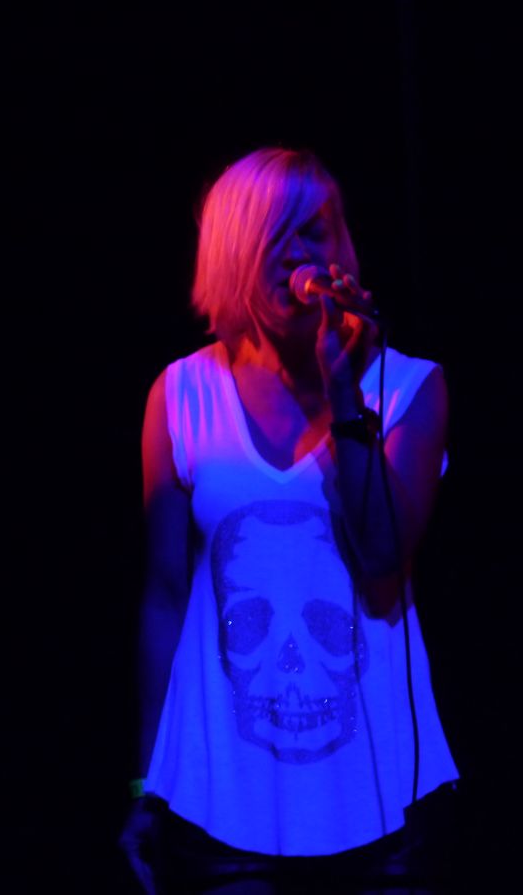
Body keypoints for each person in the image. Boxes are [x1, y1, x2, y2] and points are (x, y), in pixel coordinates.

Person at [119, 147, 458, 894]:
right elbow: (164, 598)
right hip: (220, 802)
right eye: (278, 234)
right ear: (234, 252)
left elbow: (383, 558)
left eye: (316, 230)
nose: (301, 252)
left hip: (380, 800)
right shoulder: (181, 395)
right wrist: (146, 781)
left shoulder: (407, 388)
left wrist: (343, 391)